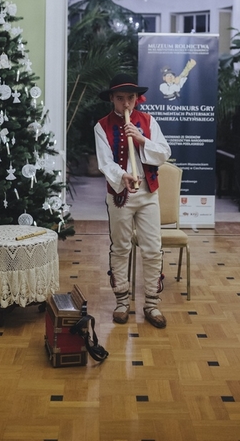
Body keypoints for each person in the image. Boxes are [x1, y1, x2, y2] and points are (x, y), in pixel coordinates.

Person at [94, 73, 171, 328]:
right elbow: (105, 162)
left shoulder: (148, 121)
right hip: (120, 195)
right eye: (120, 98)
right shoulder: (102, 126)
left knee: (152, 247)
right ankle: (121, 302)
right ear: (112, 99)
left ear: (137, 98)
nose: (126, 104)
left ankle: (152, 303)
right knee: (120, 247)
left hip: (148, 194)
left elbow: (164, 153)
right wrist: (122, 175)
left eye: (130, 98)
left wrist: (141, 139)